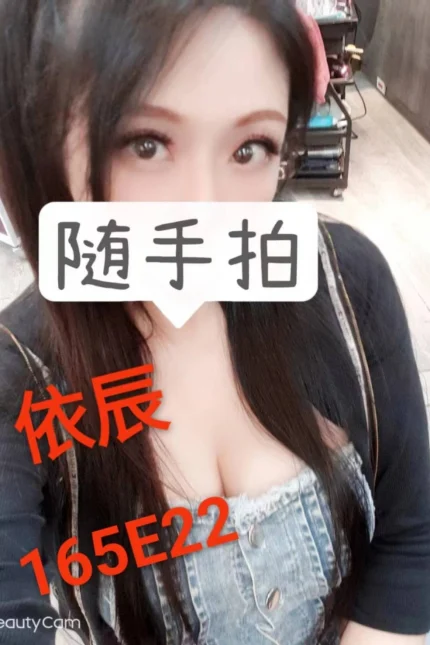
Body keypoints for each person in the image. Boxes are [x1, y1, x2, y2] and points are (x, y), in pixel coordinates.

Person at [0, 1, 429, 644]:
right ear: (43, 143)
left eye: (249, 148)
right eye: (146, 144)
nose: (204, 212)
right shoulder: (19, 380)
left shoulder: (347, 283)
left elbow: (408, 545)